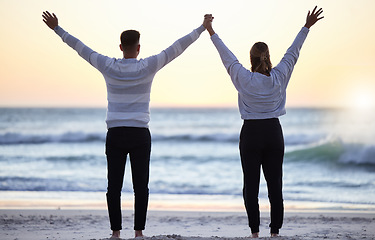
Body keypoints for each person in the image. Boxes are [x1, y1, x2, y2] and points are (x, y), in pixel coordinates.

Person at [42, 11, 211, 239]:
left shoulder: (108, 66)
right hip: (140, 134)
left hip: (116, 134)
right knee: (141, 186)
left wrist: (57, 29)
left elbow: (81, 48)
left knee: (114, 187)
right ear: (138, 48)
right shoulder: (148, 66)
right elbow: (176, 48)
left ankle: (115, 233)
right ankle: (139, 232)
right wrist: (202, 28)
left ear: (120, 47)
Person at [203, 6, 323, 238]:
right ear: (269, 57)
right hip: (273, 132)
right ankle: (275, 232)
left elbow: (226, 55)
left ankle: (255, 233)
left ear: (251, 58)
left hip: (251, 133)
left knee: (251, 186)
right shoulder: (279, 77)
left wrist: (211, 31)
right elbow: (293, 52)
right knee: (275, 186)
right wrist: (306, 27)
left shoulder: (242, 78)